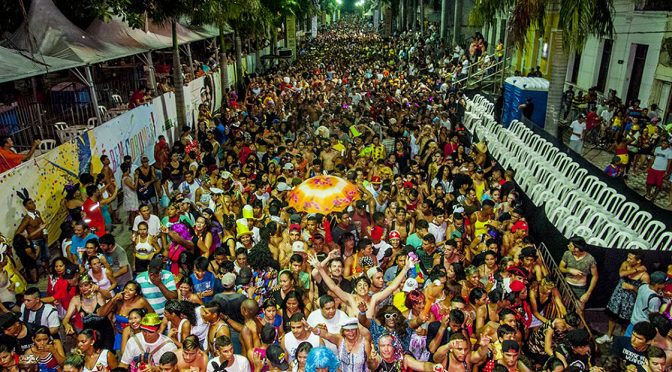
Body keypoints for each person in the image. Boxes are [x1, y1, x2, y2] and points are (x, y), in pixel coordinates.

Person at [559, 236, 598, 310]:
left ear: (577, 248)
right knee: (563, 307)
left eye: (570, 245)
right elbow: (560, 268)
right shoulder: (567, 254)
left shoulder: (590, 259)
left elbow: (595, 276)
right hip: (566, 284)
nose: (568, 246)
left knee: (579, 310)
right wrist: (569, 270)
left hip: (580, 288)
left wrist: (588, 294)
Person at [626, 271, 669, 336]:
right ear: (657, 284)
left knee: (625, 342)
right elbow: (654, 318)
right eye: (664, 284)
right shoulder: (655, 299)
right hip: (642, 328)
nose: (666, 285)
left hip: (633, 322)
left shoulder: (643, 286)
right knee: (635, 345)